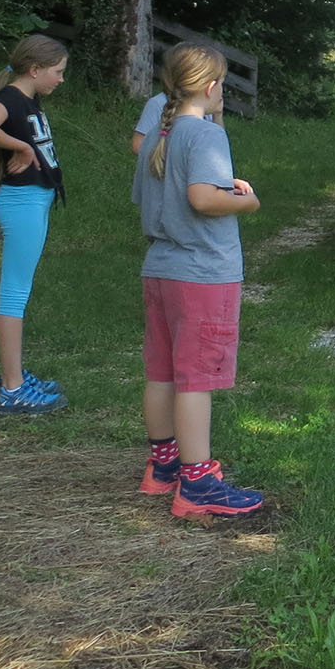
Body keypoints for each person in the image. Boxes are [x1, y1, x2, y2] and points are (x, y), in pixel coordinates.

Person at [133, 42, 267, 520]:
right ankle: (198, 484)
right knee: (195, 379)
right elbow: (201, 199)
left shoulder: (158, 135)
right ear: (212, 88)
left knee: (163, 372)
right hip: (203, 273)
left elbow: (157, 198)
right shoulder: (207, 135)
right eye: (223, 84)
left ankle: (163, 466)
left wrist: (223, 187)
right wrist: (246, 202)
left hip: (161, 267)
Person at [0, 35, 70, 415]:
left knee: (18, 292)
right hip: (21, 202)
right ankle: (12, 389)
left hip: (34, 200)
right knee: (14, 294)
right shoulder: (11, 98)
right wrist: (22, 148)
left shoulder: (28, 100)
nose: (60, 79)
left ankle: (16, 378)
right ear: (36, 69)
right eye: (57, 71)